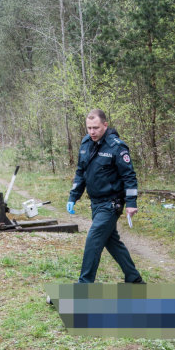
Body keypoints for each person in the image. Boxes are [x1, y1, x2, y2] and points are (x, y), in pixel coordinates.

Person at [67, 109, 143, 284]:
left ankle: (84, 286)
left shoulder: (117, 146)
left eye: (96, 128)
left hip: (111, 204)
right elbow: (81, 173)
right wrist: (73, 196)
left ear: (105, 125)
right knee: (112, 241)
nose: (92, 132)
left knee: (93, 240)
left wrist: (131, 202)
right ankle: (134, 279)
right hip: (96, 203)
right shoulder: (86, 144)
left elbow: (129, 176)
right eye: (89, 128)